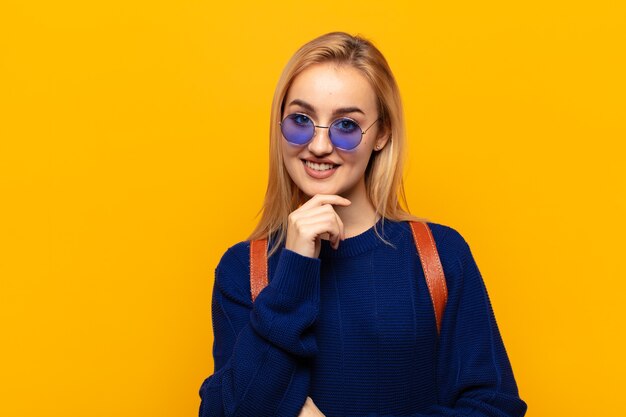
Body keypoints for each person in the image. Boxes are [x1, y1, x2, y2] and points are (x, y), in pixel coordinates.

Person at [198, 32, 527, 417]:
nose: (319, 146)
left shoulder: (439, 254)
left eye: (346, 126)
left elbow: (494, 407)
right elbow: (232, 411)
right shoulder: (243, 270)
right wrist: (295, 267)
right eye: (301, 120)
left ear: (382, 134)